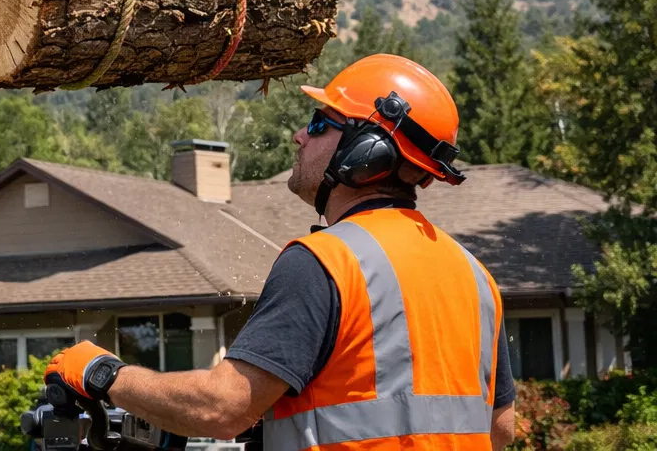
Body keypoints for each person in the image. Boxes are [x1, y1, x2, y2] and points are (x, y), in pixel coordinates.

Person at [46, 54, 517, 451]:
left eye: (320, 123)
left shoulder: (327, 262)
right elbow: (499, 430)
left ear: (366, 153)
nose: (300, 135)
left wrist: (102, 372)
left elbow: (221, 407)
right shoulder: (475, 276)